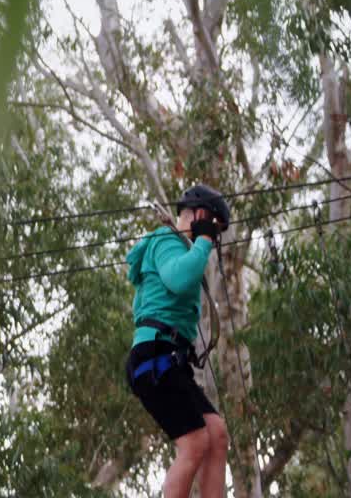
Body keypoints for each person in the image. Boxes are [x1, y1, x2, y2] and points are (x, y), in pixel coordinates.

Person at [125, 184, 231, 498]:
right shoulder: (166, 240)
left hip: (171, 358)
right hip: (154, 354)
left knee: (216, 433)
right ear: (200, 215)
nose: (214, 239)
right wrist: (202, 241)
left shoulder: (182, 247)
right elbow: (178, 278)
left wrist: (200, 243)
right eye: (214, 228)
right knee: (195, 441)